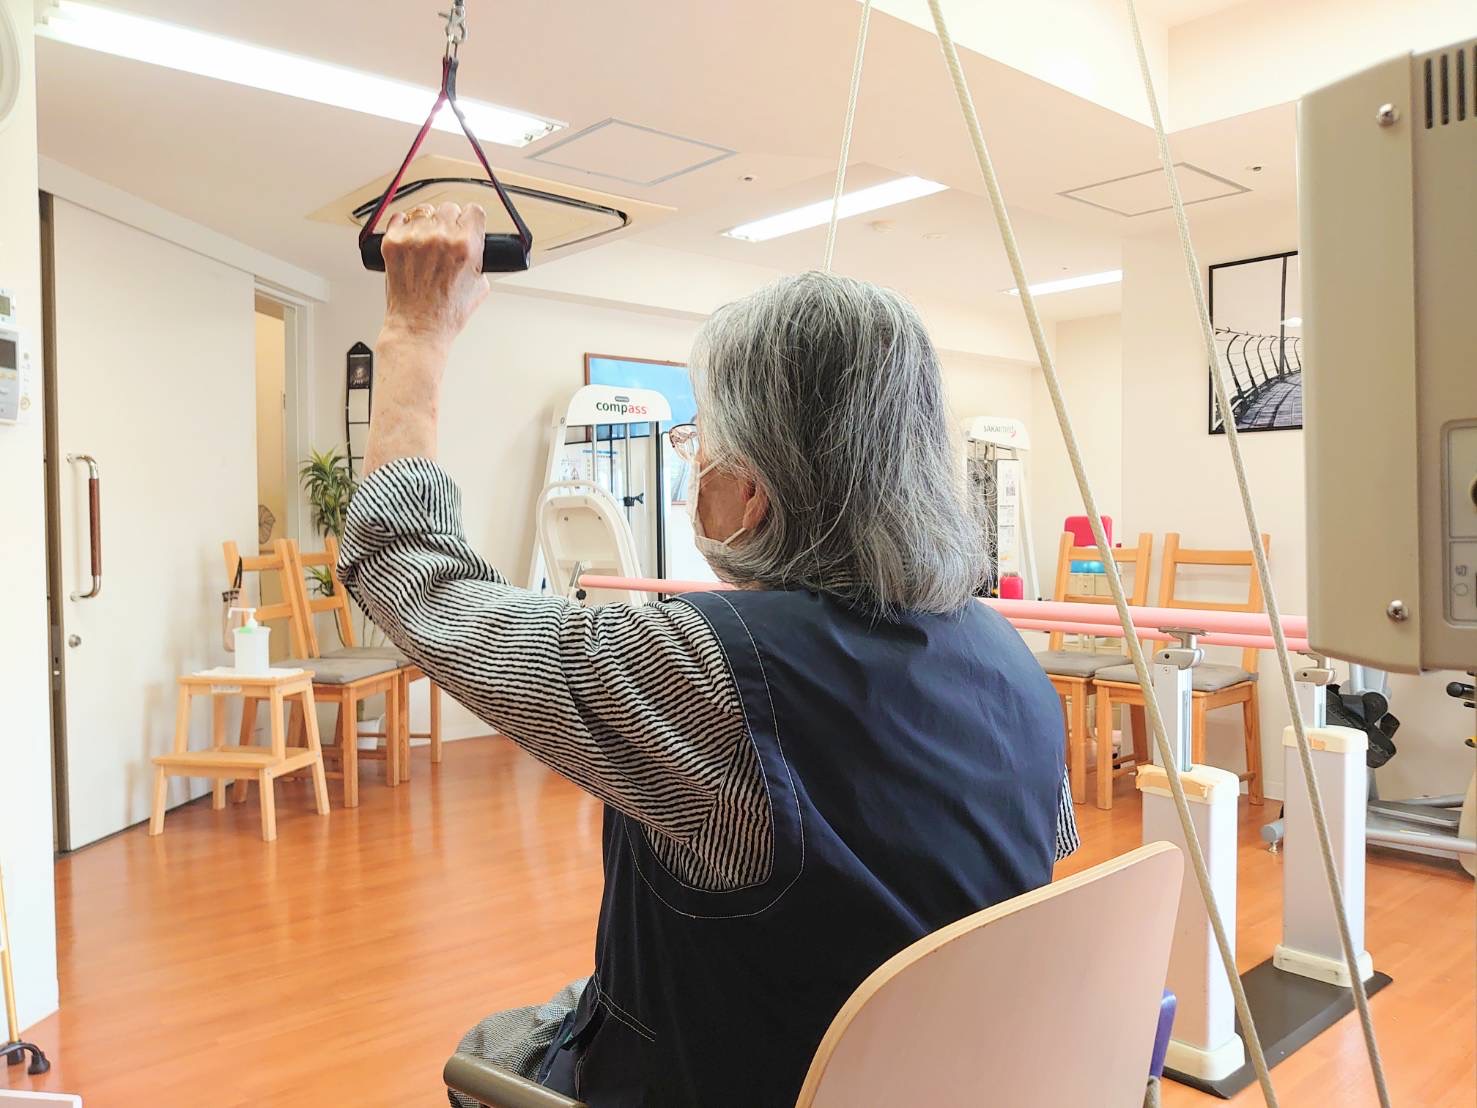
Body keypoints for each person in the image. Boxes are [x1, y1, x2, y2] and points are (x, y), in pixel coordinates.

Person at [339, 201, 1077, 1108]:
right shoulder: (1014, 664)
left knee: (491, 1048)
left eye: (699, 443)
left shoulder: (709, 670)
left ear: (749, 491)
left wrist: (414, 333)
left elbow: (408, 575)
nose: (693, 468)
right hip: (935, 1079)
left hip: (739, 1079)